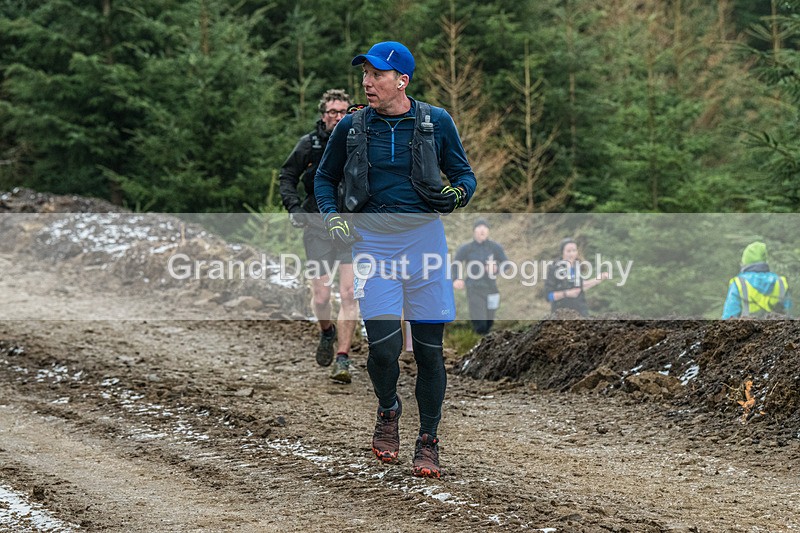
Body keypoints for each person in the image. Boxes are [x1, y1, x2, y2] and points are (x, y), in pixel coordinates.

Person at [314, 41, 476, 478]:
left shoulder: (435, 121)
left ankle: (428, 440)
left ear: (401, 80)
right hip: (373, 246)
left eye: (376, 75)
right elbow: (324, 179)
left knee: (429, 353)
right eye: (364, 74)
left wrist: (457, 195)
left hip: (425, 244)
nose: (367, 82)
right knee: (384, 351)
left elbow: (464, 175)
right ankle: (388, 410)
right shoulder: (351, 127)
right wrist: (332, 219)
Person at [279, 89, 358, 384]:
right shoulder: (309, 144)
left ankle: (343, 358)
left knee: (349, 293)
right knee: (322, 295)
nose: (337, 117)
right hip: (317, 227)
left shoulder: (357, 141)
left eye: (342, 112)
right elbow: (286, 176)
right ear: (322, 115)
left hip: (352, 227)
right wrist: (295, 208)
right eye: (331, 112)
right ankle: (327, 331)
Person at [452, 219, 508, 334]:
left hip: (492, 288)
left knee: (489, 323)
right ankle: (478, 344)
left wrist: (496, 268)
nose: (482, 230)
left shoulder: (495, 247)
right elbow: (456, 262)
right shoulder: (467, 248)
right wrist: (457, 278)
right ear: (474, 231)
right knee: (480, 323)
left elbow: (506, 264)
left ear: (488, 231)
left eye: (485, 227)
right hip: (474, 288)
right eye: (479, 227)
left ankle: (485, 348)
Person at [722, 241, 792, 319]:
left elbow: (729, 316)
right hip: (779, 329)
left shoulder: (739, 283)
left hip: (747, 330)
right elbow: (789, 313)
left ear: (744, 261)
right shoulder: (781, 282)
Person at [544, 238, 608, 317]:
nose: (572, 254)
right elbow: (548, 296)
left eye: (574, 250)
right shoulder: (554, 269)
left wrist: (598, 279)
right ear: (562, 252)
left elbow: (580, 287)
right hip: (561, 313)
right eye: (568, 251)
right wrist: (566, 293)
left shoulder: (577, 266)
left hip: (580, 312)